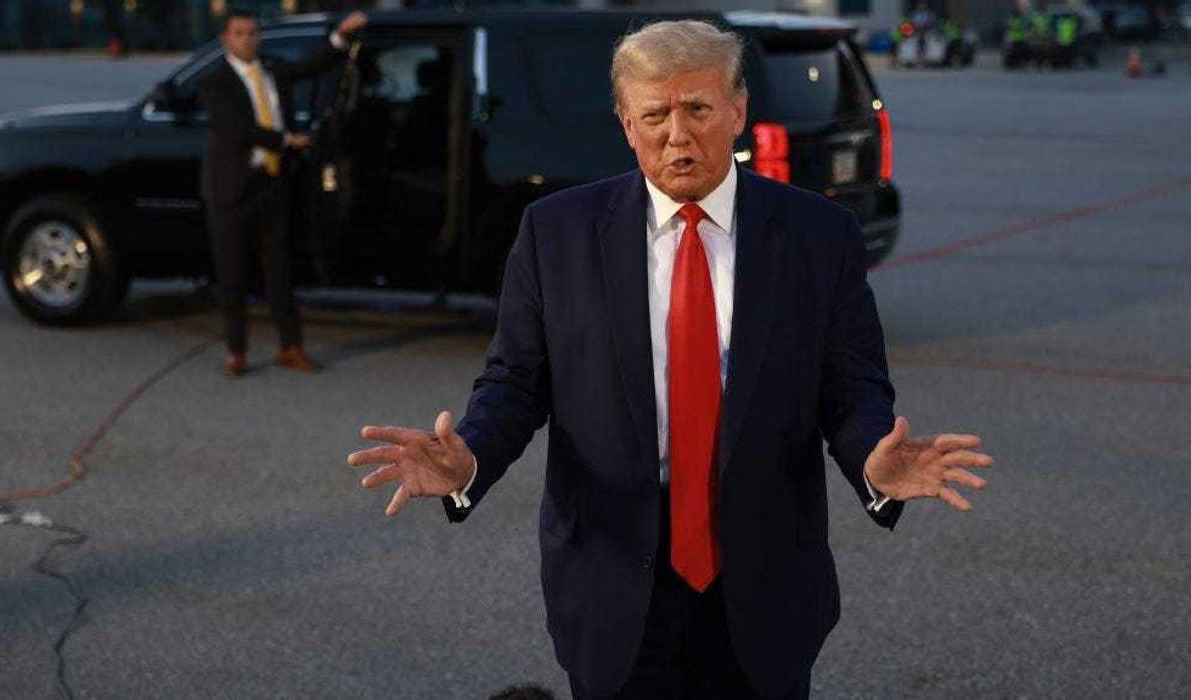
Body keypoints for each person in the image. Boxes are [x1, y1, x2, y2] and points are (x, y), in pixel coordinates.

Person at [348, 20, 994, 700]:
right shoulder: (556, 232)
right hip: (611, 577)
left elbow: (848, 381)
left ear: (738, 110)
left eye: (698, 109)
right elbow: (515, 380)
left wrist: (873, 460)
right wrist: (469, 457)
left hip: (762, 575)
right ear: (626, 124)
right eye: (654, 115)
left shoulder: (816, 233)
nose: (677, 135)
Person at [198, 8, 367, 377]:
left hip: (271, 186)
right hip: (230, 189)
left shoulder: (271, 68)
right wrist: (288, 140)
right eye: (239, 33)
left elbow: (311, 66)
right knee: (231, 273)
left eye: (253, 33)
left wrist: (341, 34)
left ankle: (291, 347)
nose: (248, 39)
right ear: (226, 39)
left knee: (279, 271)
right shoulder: (215, 81)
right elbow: (237, 128)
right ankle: (237, 351)